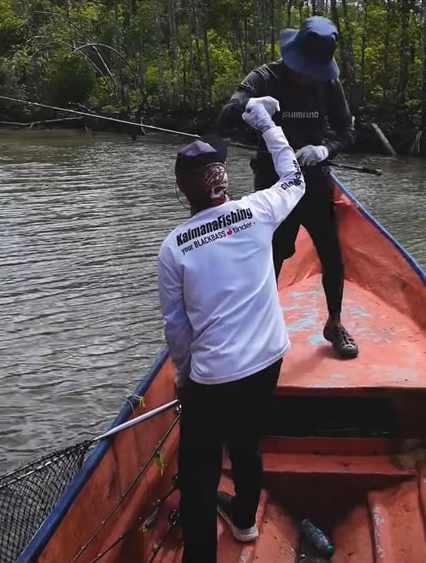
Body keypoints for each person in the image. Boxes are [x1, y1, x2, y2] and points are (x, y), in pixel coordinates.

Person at [157, 95, 304, 563]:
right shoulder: (259, 210)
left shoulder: (173, 248)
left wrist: (183, 377)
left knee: (198, 476)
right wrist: (265, 123)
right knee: (247, 445)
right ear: (223, 180)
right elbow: (294, 175)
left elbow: (176, 327)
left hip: (213, 378)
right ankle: (244, 524)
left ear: (184, 191)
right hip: (267, 362)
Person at [215, 15, 359, 359]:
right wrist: (247, 106)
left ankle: (335, 322)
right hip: (272, 185)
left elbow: (348, 132)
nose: (307, 76)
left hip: (314, 179)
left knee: (332, 255)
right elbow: (223, 118)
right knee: (271, 256)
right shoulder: (265, 77)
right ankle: (259, 327)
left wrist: (325, 149)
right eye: (304, 68)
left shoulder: (328, 83)